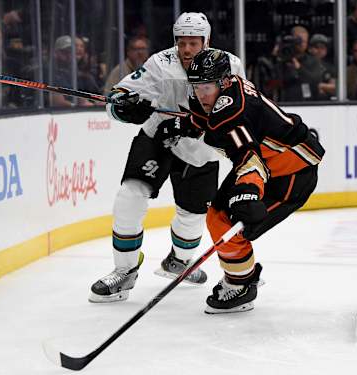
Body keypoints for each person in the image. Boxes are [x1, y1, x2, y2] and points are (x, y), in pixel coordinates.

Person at [89, 12, 246, 303]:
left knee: (193, 215)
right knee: (129, 195)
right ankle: (124, 271)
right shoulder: (160, 63)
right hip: (157, 138)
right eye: (182, 42)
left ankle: (180, 261)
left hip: (200, 149)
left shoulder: (229, 65)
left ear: (206, 41)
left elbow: (239, 109)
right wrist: (124, 107)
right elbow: (117, 96)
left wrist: (198, 124)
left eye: (193, 43)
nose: (186, 50)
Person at [175, 49, 324, 313]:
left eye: (206, 86)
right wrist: (188, 122)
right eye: (196, 86)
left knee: (234, 226)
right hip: (266, 165)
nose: (201, 94)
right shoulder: (224, 91)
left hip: (291, 173)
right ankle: (241, 276)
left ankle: (241, 285)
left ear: (223, 82)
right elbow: (210, 119)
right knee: (217, 218)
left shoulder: (231, 111)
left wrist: (247, 192)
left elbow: (249, 158)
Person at [276, 25, 326, 101]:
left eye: (305, 41)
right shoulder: (281, 58)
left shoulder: (313, 61)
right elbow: (272, 82)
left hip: (306, 103)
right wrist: (275, 56)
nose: (302, 44)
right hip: (284, 102)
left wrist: (299, 68)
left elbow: (315, 81)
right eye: (299, 40)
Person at [308, 33, 336, 100]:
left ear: (326, 50)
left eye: (323, 48)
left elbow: (334, 88)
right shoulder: (304, 64)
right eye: (317, 47)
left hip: (325, 102)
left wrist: (320, 86)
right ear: (310, 49)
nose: (319, 50)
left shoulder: (330, 67)